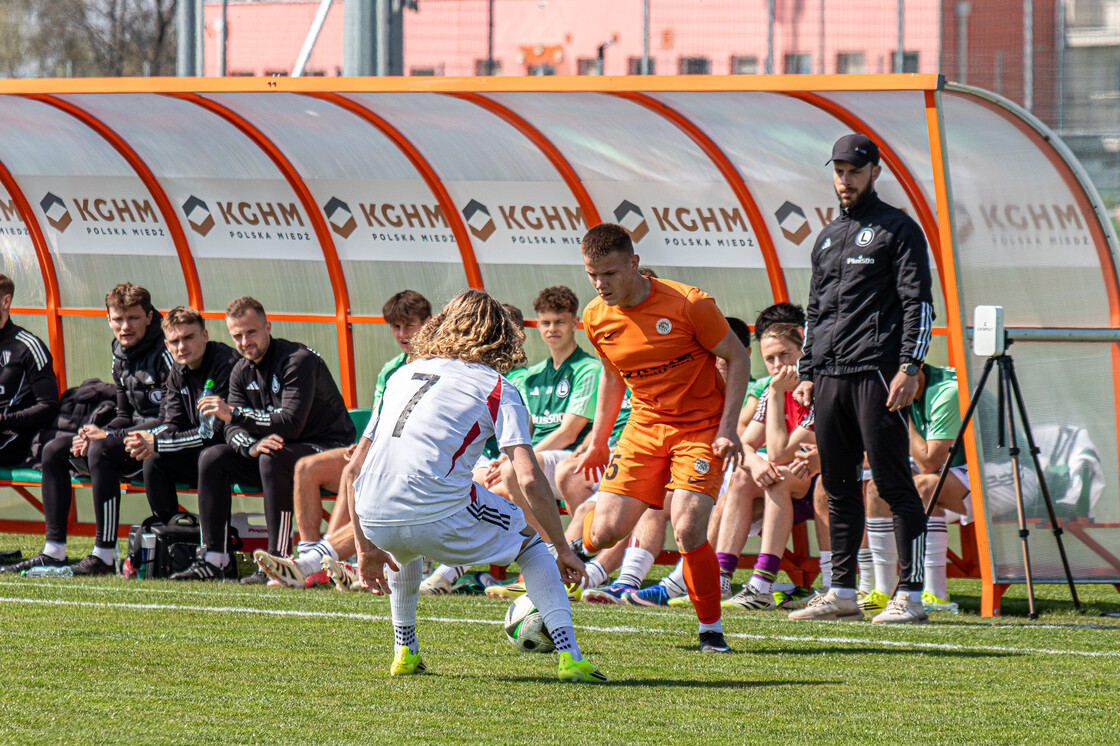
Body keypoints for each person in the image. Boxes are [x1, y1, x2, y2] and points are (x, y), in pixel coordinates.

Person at [343, 289, 606, 682]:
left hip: (373, 514)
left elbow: (352, 471)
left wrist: (365, 549)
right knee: (531, 542)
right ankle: (570, 656)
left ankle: (405, 650)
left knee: (405, 547)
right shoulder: (497, 386)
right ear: (502, 336)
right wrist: (562, 548)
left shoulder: (401, 374)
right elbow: (530, 477)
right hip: (436, 508)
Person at [573, 223, 750, 653]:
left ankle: (711, 630)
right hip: (644, 428)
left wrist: (728, 428)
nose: (601, 284)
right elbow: (613, 376)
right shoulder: (596, 316)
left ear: (634, 264)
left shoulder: (690, 304)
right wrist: (599, 439)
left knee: (688, 526)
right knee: (609, 529)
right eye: (592, 274)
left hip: (700, 428)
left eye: (610, 273)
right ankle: (572, 551)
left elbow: (738, 356)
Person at [789, 133, 935, 625]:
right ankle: (842, 592)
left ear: (875, 171)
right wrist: (808, 372)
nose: (844, 180)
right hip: (830, 377)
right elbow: (815, 311)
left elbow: (920, 304)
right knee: (838, 485)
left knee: (894, 484)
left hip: (878, 375)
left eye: (853, 171)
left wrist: (909, 368)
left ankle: (910, 596)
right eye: (838, 171)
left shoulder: (899, 229)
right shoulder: (827, 237)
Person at [256, 290, 433, 590]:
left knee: (357, 474)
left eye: (410, 326)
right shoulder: (391, 370)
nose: (402, 334)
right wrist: (364, 446)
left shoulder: (438, 366)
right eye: (396, 327)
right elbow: (380, 421)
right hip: (380, 453)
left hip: (413, 462)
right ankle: (312, 557)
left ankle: (314, 566)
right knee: (307, 467)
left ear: (428, 324)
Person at [172, 297, 356, 582]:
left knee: (274, 455)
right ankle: (214, 558)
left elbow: (291, 425)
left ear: (267, 327)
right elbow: (230, 430)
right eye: (237, 335)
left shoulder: (298, 360)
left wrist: (235, 415)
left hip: (327, 448)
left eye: (251, 332)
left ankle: (277, 562)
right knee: (213, 457)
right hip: (277, 452)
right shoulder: (240, 370)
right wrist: (250, 446)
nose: (244, 341)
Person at [15, 283, 171, 576]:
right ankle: (54, 551)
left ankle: (105, 553)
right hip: (131, 438)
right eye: (118, 319)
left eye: (133, 318)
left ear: (149, 317)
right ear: (108, 319)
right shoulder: (119, 352)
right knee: (55, 450)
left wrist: (109, 435)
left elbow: (170, 418)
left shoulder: (166, 351)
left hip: (161, 442)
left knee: (102, 449)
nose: (125, 327)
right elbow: (125, 413)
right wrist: (93, 431)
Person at [485, 286, 601, 534]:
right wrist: (505, 457)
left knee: (513, 473)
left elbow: (569, 433)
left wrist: (520, 461)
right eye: (546, 322)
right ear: (537, 325)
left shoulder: (588, 369)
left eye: (559, 322)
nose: (552, 329)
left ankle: (551, 551)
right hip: (537, 461)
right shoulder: (533, 375)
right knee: (486, 487)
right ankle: (547, 553)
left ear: (575, 323)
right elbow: (524, 429)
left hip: (568, 459)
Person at [721, 323, 818, 610]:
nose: (778, 365)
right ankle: (719, 578)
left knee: (776, 477)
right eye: (770, 359)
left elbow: (779, 453)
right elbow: (744, 444)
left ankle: (762, 585)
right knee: (740, 476)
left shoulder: (815, 389)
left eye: (785, 355)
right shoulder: (771, 390)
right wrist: (755, 463)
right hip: (789, 477)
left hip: (824, 480)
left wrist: (776, 394)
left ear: (803, 351)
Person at [123, 306, 238, 536]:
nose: (182, 347)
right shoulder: (178, 369)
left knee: (210, 457)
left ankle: (216, 551)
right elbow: (173, 422)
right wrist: (148, 440)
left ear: (204, 336)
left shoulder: (227, 364)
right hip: (201, 452)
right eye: (174, 341)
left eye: (188, 338)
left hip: (234, 455)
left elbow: (212, 433)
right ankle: (173, 538)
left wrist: (157, 442)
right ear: (167, 345)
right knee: (154, 460)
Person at [0, 273, 59, 467]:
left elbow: (49, 406)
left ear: (6, 301)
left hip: (13, 436)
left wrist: (5, 420)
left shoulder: (29, 346)